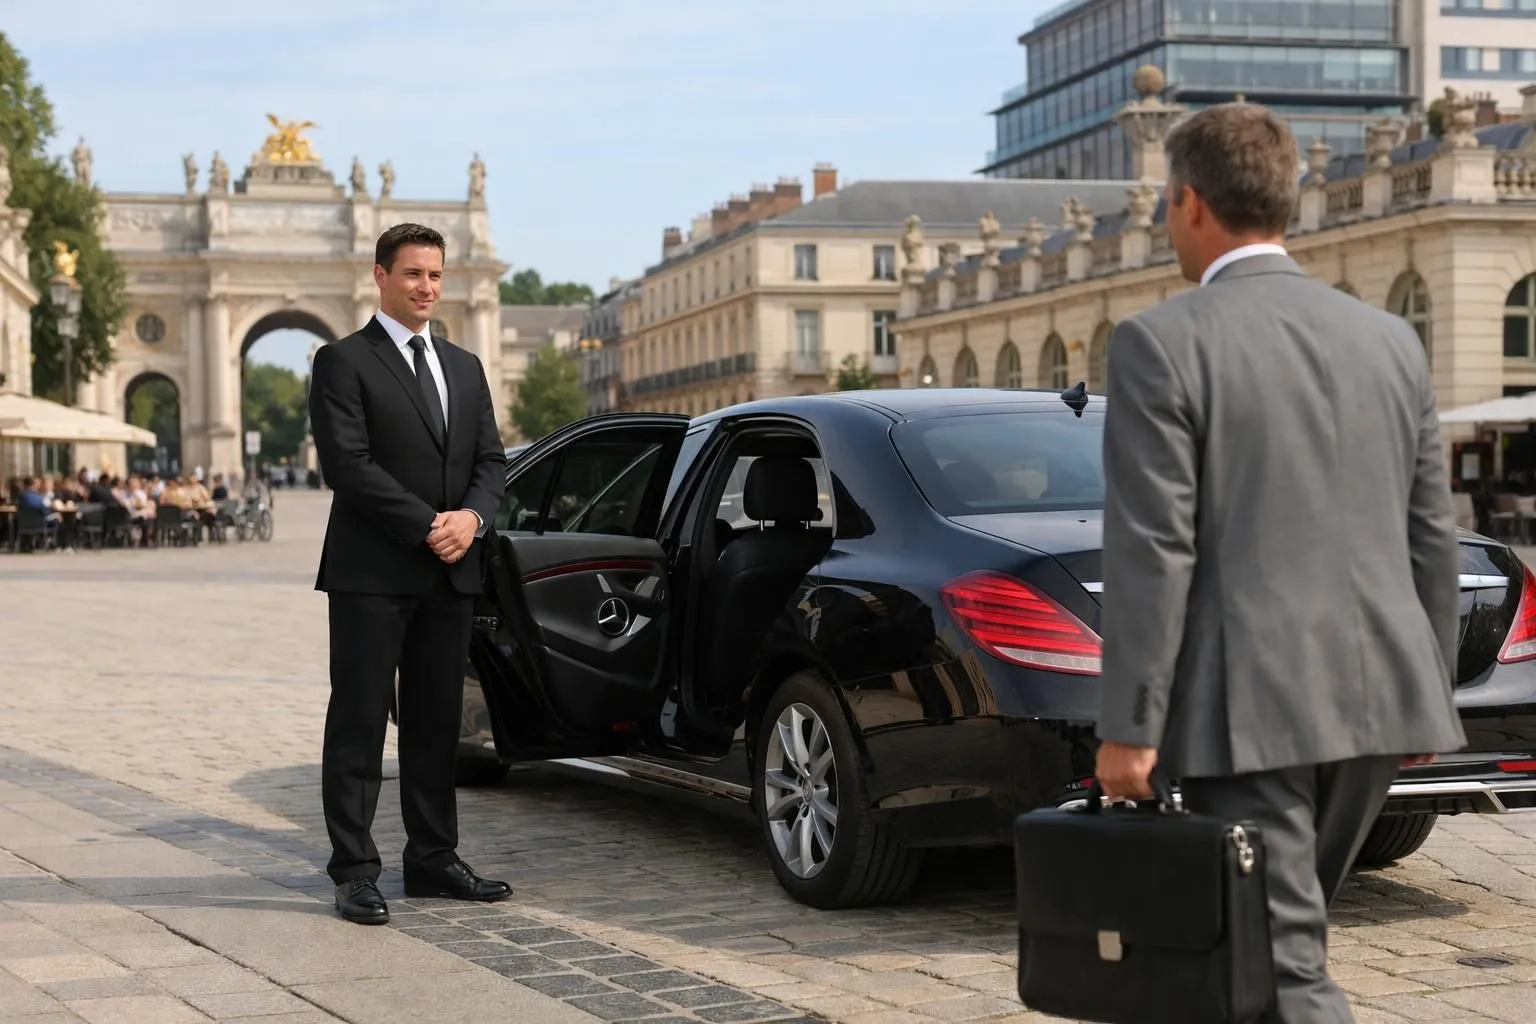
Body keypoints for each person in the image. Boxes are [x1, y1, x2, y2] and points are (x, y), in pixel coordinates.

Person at [1092, 102, 1464, 1024]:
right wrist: (1429, 691)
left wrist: (1130, 726)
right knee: (1261, 957)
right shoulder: (1391, 339)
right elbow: (1432, 533)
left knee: (1283, 971)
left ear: (1190, 202)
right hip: (1377, 704)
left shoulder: (1160, 342)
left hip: (1249, 709)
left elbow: (1153, 546)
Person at [308, 222, 508, 925]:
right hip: (372, 571)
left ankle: (432, 858)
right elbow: (348, 466)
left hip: (451, 572)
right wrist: (429, 523)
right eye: (414, 273)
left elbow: (492, 461)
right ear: (381, 276)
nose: (427, 287)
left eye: (436, 275)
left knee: (434, 723)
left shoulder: (465, 366)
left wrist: (472, 520)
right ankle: (354, 870)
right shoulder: (343, 361)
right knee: (359, 721)